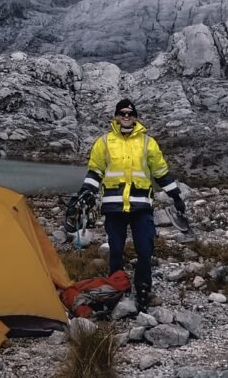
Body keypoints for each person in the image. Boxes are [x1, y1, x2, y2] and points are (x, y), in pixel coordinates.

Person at [73, 98, 188, 312]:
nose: (126, 116)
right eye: (122, 113)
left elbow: (160, 172)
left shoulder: (147, 142)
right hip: (114, 207)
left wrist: (176, 195)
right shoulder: (104, 142)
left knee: (145, 249)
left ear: (135, 117)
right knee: (116, 250)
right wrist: (86, 192)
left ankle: (143, 289)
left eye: (130, 113)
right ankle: (116, 288)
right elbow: (95, 171)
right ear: (116, 116)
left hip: (141, 206)